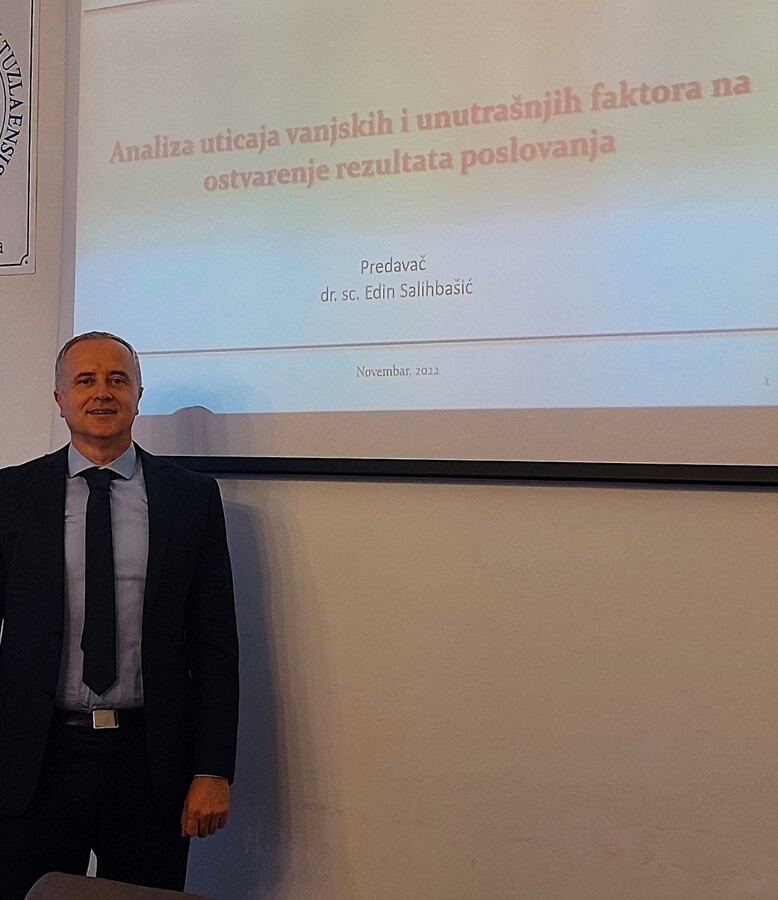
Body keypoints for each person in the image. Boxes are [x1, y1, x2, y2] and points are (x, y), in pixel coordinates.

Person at [0, 332, 239, 898]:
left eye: (117, 380)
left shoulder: (191, 498)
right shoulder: (11, 494)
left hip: (149, 762)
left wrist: (212, 768)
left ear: (138, 395)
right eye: (85, 380)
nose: (102, 392)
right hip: (34, 760)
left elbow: (214, 644)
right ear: (60, 399)